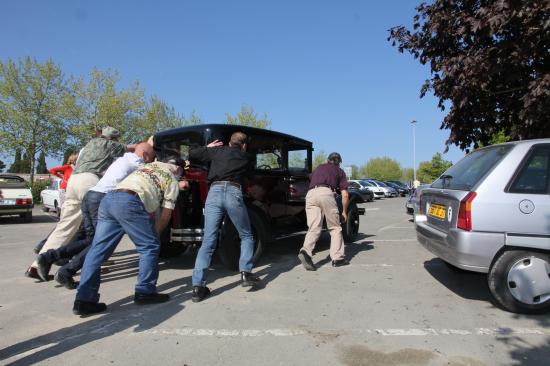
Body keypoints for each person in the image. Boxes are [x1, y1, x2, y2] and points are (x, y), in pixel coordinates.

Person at [73, 157, 188, 315]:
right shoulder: (172, 180)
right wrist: (156, 235)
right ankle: (145, 291)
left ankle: (84, 300)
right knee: (150, 246)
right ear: (178, 170)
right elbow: (165, 216)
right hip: (130, 202)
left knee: (97, 250)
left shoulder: (150, 166)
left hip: (109, 199)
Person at [36, 142, 156, 286]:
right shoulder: (137, 164)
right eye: (151, 157)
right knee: (100, 244)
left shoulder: (122, 159)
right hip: (103, 199)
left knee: (90, 240)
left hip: (91, 195)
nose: (151, 161)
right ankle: (66, 271)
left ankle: (50, 256)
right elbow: (150, 175)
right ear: (144, 155)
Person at [25, 126, 135, 280]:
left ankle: (37, 265)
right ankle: (94, 263)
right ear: (113, 138)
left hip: (73, 182)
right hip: (90, 181)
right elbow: (134, 149)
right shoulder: (110, 145)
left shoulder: (86, 146)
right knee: (101, 228)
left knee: (65, 226)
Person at [188, 132, 261, 303]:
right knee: (246, 235)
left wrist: (209, 148)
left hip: (214, 192)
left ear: (229, 142)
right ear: (243, 145)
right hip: (233, 192)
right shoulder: (246, 156)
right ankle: (245, 274)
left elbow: (192, 155)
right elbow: (251, 176)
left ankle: (198, 287)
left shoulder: (217, 151)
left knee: (208, 240)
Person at [297, 152, 350, 271]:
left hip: (310, 194)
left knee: (314, 227)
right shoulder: (339, 171)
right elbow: (345, 195)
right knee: (335, 228)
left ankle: (305, 251)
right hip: (326, 192)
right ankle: (338, 258)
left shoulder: (319, 168)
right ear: (339, 162)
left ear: (328, 160)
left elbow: (310, 179)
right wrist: (344, 212)